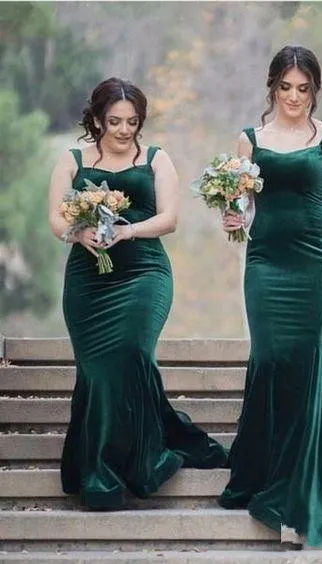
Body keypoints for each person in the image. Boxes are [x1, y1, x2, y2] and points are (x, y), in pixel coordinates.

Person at [218, 46, 322, 546]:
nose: (294, 97)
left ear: (315, 89)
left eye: (303, 88)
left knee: (308, 360)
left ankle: (305, 476)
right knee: (268, 357)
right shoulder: (248, 141)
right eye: (285, 87)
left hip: (315, 263)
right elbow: (241, 211)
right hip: (265, 262)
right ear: (272, 88)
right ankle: (266, 469)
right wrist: (233, 219)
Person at [48, 77, 228, 510]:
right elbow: (56, 221)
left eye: (132, 121)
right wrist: (79, 231)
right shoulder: (71, 160)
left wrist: (126, 232)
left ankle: (137, 460)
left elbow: (168, 219)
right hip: (88, 281)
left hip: (144, 274)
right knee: (97, 371)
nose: (124, 129)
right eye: (114, 121)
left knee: (130, 351)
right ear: (96, 120)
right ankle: (98, 469)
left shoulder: (156, 159)